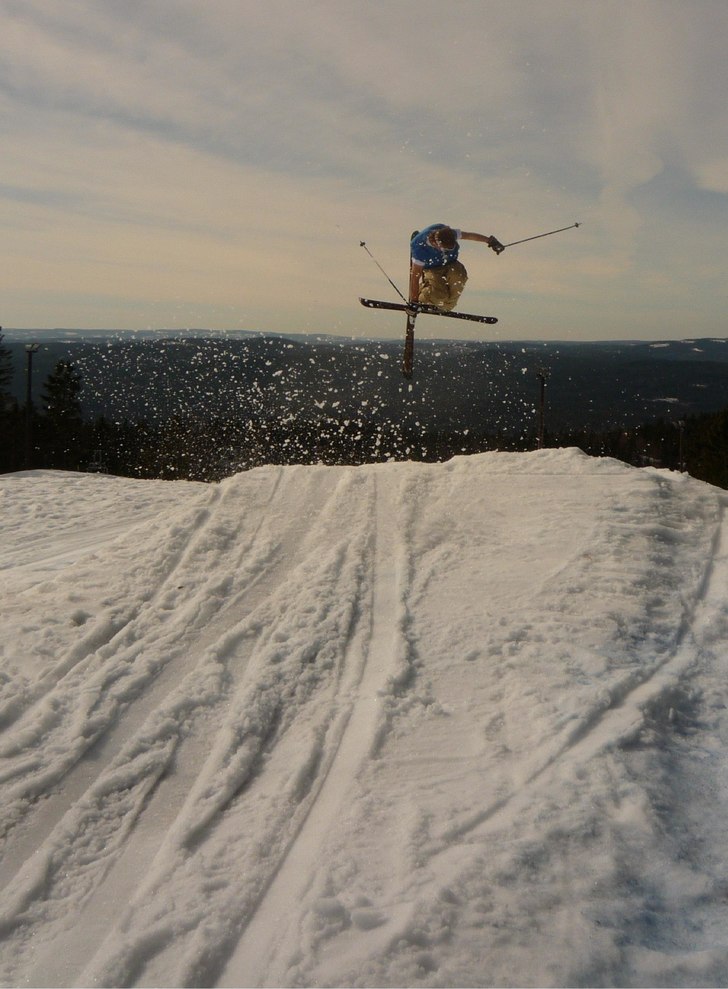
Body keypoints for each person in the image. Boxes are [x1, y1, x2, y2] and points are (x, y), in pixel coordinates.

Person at [408, 224, 504, 312]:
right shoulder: (419, 247)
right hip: (432, 269)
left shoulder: (447, 232)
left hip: (451, 263)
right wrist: (414, 301)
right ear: (436, 244)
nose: (445, 251)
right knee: (439, 295)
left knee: (459, 277)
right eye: (444, 248)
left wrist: (491, 241)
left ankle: (445, 306)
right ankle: (424, 296)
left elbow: (470, 236)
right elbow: (415, 277)